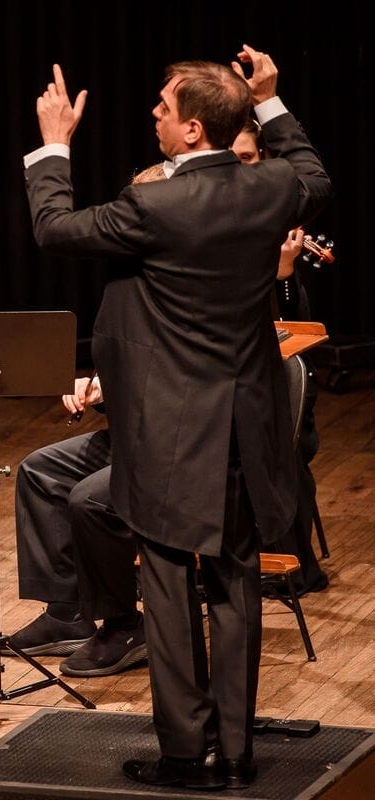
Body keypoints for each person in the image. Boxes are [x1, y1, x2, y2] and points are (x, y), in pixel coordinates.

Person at [25, 45, 331, 790]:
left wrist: (55, 143)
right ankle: (238, 749)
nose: (154, 119)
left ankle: (184, 756)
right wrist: (272, 99)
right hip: (245, 429)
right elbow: (315, 173)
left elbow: (55, 229)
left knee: (166, 588)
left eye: (164, 110)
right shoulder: (274, 188)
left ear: (193, 130)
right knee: (234, 583)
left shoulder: (155, 204)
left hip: (170, 435)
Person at [233, 119, 329, 597]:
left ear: (266, 161)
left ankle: (290, 560)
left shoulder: (276, 216)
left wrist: (285, 271)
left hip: (275, 378)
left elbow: (294, 327)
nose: (239, 169)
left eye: (248, 158)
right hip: (229, 373)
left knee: (283, 437)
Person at [8, 375, 146, 678]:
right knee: (39, 470)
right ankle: (67, 613)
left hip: (174, 445)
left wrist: (117, 386)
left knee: (90, 500)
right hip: (132, 438)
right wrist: (97, 386)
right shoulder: (125, 325)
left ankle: (124, 625)